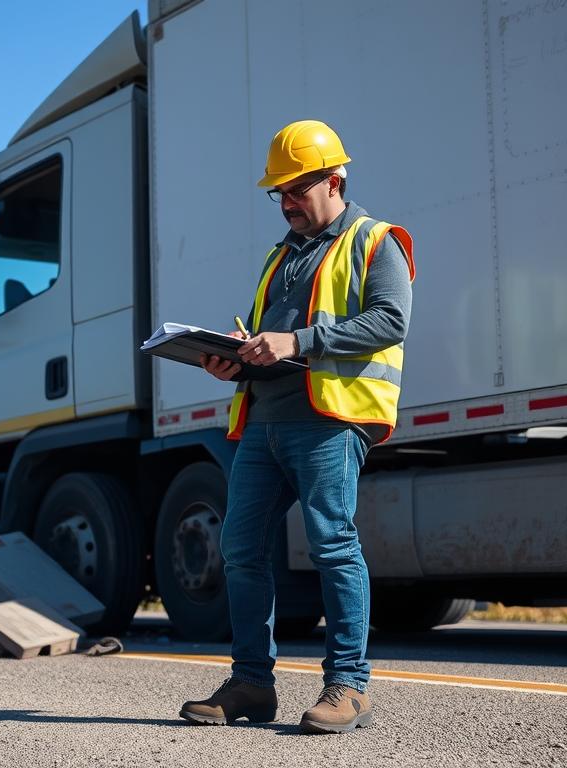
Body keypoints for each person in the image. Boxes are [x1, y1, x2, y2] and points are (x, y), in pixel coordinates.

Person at [178, 119, 414, 734]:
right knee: (239, 548)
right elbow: (270, 345)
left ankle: (350, 686)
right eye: (277, 193)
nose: (285, 203)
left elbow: (391, 319)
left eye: (296, 190)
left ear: (335, 181)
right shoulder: (279, 256)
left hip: (329, 420)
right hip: (265, 420)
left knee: (332, 544)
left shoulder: (375, 239)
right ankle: (252, 683)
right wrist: (232, 361)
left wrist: (297, 340)